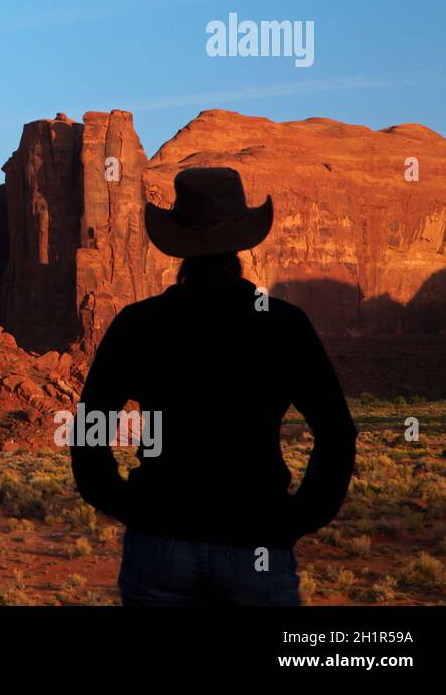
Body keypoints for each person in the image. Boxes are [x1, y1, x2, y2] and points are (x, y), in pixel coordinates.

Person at [70, 167, 357, 605]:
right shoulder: (282, 324)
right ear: (242, 245)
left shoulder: (140, 323)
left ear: (178, 248)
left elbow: (90, 428)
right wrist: (299, 518)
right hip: (256, 540)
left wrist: (126, 504)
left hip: (160, 540)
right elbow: (336, 432)